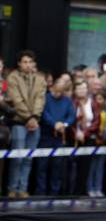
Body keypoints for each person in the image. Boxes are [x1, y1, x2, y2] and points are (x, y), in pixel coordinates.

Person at [6, 50, 47, 198]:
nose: (28, 65)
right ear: (19, 64)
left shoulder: (40, 79)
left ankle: (23, 188)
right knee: (17, 157)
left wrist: (34, 117)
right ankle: (12, 188)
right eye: (25, 62)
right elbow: (16, 100)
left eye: (30, 62)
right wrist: (29, 117)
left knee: (28, 158)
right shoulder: (12, 78)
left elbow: (40, 100)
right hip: (19, 122)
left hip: (35, 123)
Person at [35, 76, 76, 196]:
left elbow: (71, 116)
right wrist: (54, 124)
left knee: (57, 167)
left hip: (60, 137)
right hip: (46, 136)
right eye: (55, 90)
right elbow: (44, 114)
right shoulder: (46, 98)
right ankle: (41, 192)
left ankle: (55, 192)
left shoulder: (67, 101)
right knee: (42, 166)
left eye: (60, 91)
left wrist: (64, 124)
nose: (57, 94)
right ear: (51, 87)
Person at [87, 90, 106, 197]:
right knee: (91, 165)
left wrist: (103, 137)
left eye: (101, 99)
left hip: (104, 141)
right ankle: (90, 188)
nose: (98, 101)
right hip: (93, 140)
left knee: (100, 166)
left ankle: (98, 188)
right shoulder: (92, 110)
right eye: (96, 99)